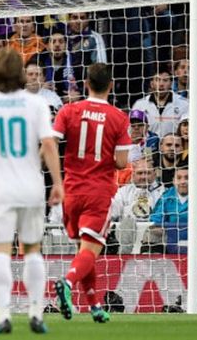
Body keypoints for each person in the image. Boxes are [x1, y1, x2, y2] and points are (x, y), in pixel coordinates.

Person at [0, 47, 63, 334]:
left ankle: (3, 316)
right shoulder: (36, 104)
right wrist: (57, 182)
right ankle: (36, 313)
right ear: (20, 73)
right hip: (30, 186)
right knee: (32, 251)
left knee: (1, 252)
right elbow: (50, 144)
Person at [52, 62, 129, 324]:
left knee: (84, 251)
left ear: (86, 84)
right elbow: (121, 162)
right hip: (99, 191)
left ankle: (95, 305)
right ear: (111, 85)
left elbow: (51, 143)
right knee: (90, 250)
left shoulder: (69, 110)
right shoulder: (119, 117)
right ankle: (67, 282)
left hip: (71, 191)